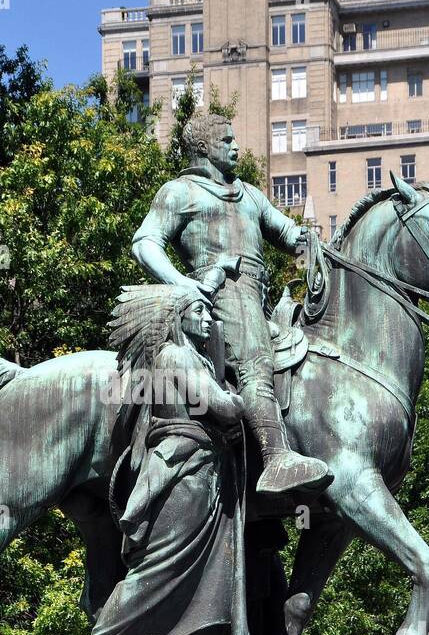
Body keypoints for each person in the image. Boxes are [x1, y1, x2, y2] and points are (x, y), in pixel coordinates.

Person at [62, 284, 255, 635]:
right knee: (159, 570)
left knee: (216, 575)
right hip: (184, 471)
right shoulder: (175, 356)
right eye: (199, 311)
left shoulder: (197, 358)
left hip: (208, 472)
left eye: (210, 313)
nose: (208, 319)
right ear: (177, 316)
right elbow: (223, 409)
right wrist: (244, 395)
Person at [130, 111, 332, 496]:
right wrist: (187, 286)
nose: (237, 147)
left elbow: (287, 233)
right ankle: (276, 459)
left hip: (259, 298)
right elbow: (144, 243)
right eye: (227, 141)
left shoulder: (250, 194)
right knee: (256, 360)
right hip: (223, 295)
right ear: (205, 148)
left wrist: (313, 243)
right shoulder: (180, 192)